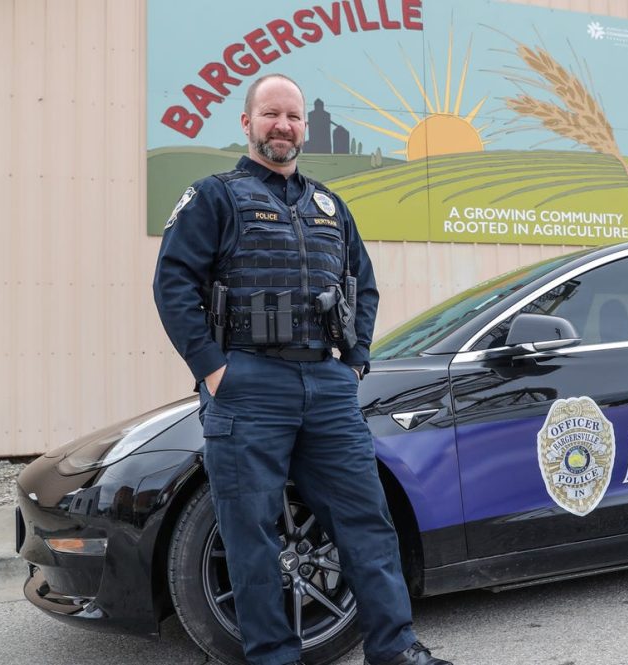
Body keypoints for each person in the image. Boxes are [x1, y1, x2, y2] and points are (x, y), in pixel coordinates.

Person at [153, 73, 451, 665]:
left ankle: (393, 650)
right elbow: (173, 283)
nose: (283, 125)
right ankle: (274, 657)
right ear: (247, 123)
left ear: (304, 128)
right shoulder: (214, 196)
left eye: (292, 116)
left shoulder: (329, 206)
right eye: (271, 115)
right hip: (248, 386)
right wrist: (213, 370)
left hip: (328, 385)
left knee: (367, 521)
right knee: (252, 535)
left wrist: (356, 360)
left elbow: (362, 286)